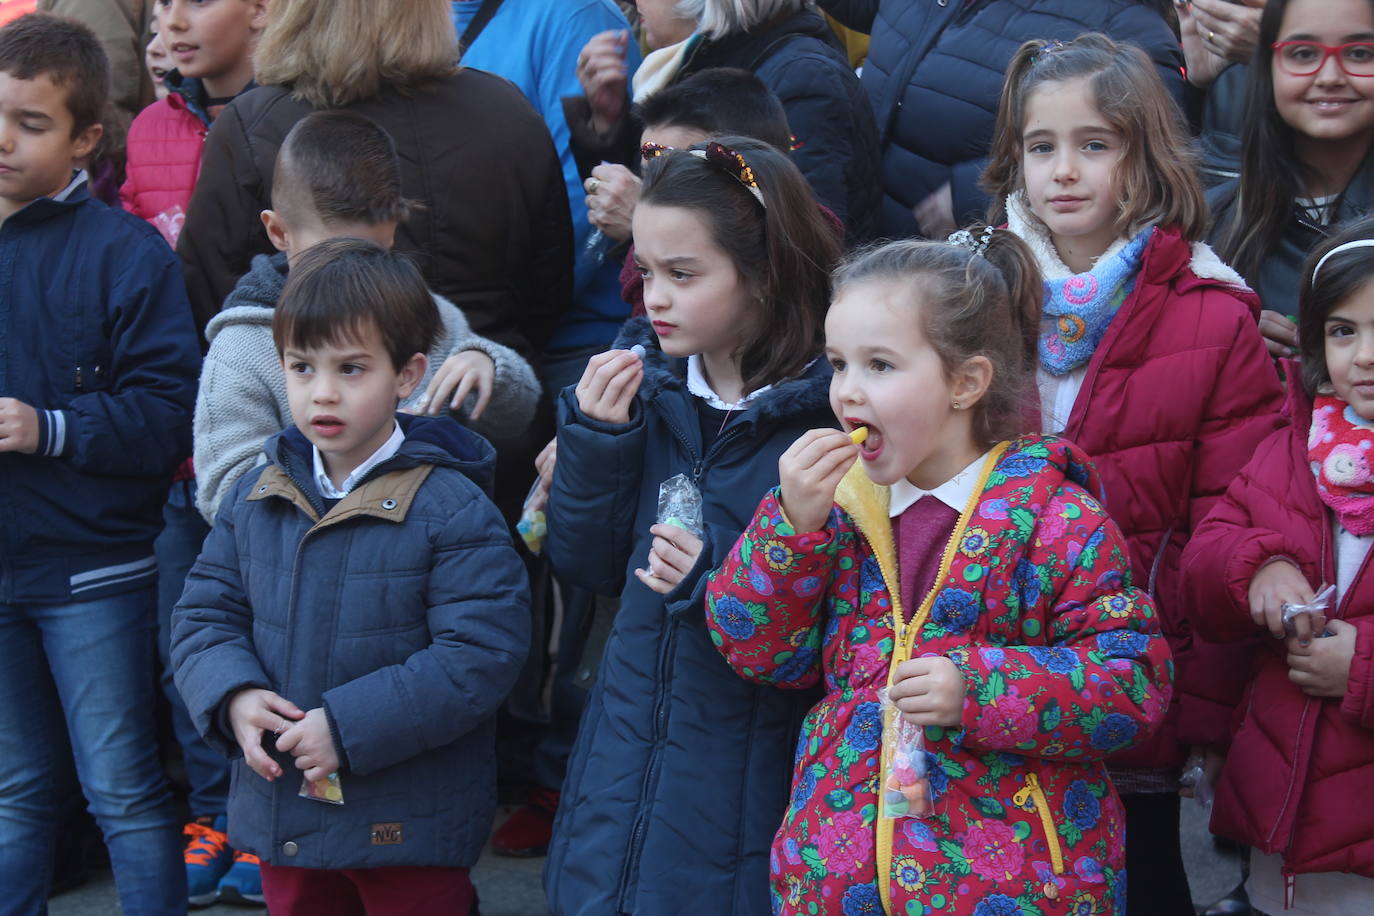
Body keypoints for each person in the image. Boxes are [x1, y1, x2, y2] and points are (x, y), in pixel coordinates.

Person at [706, 228, 1172, 914]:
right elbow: (757, 650)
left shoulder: (1055, 521)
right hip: (840, 877)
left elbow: (1135, 686)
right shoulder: (834, 511)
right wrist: (788, 530)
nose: (847, 393)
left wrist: (978, 688)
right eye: (837, 364)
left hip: (1013, 885)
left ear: (966, 382)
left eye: (880, 366)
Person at [982, 32, 1286, 913]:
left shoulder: (1213, 314)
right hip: (993, 665)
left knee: (1138, 879)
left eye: (1094, 144)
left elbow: (1230, 523)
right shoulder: (973, 292)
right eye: (1042, 147)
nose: (1063, 171)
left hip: (1133, 676)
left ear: (1145, 159)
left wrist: (1202, 711)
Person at [171, 239, 531, 915]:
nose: (323, 392)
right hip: (285, 815)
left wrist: (347, 725)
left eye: (352, 368)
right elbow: (202, 616)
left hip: (405, 823)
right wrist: (233, 696)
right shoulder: (257, 491)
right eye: (302, 368)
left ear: (408, 374)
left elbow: (480, 654)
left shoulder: (451, 506)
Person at [543, 138, 842, 915]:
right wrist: (598, 445)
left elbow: (824, 637)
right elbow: (588, 568)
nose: (656, 299)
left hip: (748, 767)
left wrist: (712, 584)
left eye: (684, 274)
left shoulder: (825, 422)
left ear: (765, 273)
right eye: (646, 273)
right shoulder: (645, 388)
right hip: (624, 746)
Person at [0, 13, 200, 915]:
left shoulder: (126, 256)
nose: (3, 141)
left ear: (87, 137)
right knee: (12, 795)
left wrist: (47, 427)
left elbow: (167, 416)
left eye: (30, 123)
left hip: (96, 572)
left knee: (122, 791)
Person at [194, 109, 541, 524]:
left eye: (370, 252)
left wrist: (486, 363)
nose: (348, 271)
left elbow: (519, 412)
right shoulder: (242, 346)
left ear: (392, 231)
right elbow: (222, 495)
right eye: (326, 254)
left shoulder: (426, 316)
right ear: (279, 233)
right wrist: (361, 447)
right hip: (301, 576)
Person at [1184, 217, 1374, 916]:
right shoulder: (1295, 444)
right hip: (1283, 841)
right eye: (1344, 330)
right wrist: (1257, 568)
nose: (1365, 356)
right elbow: (1205, 560)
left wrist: (1362, 669)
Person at [818, 0, 1183, 240]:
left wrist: (974, 194)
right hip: (867, 244)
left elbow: (1151, 163)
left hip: (974, 277)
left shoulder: (1119, 19)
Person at [569, 0, 881, 244]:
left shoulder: (802, 80)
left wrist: (645, 217)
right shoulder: (699, 59)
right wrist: (609, 125)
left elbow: (801, 248)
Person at [1211, 0, 1374, 358]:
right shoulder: (1207, 224)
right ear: (1267, 66)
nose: (1330, 77)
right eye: (1303, 53)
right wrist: (1220, 340)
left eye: (1360, 53)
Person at [121, 0, 265, 248]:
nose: (174, 21)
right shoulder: (149, 125)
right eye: (166, 3)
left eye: (198, 1)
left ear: (259, 9)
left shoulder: (292, 120)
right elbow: (131, 244)